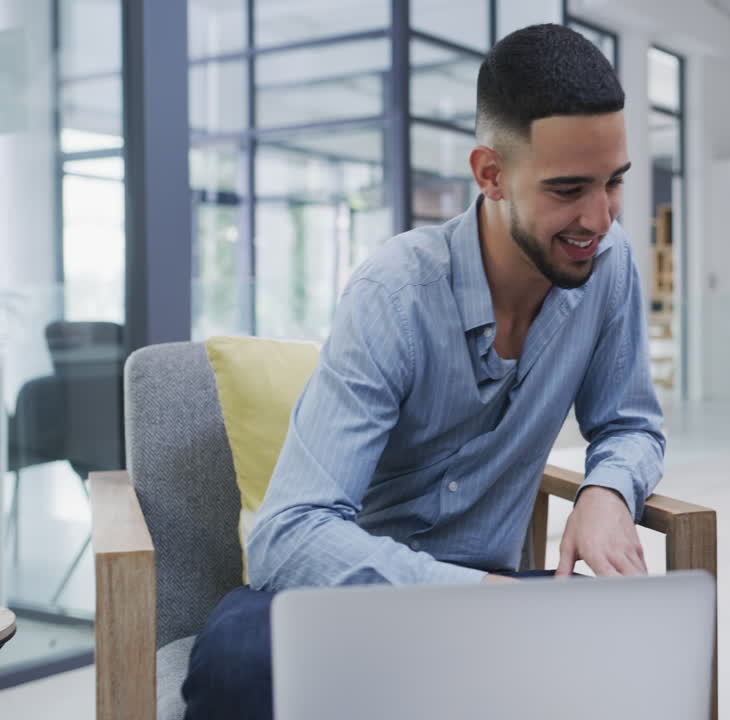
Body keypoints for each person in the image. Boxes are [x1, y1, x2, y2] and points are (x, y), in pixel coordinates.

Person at [182, 24, 664, 719]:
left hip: (490, 602)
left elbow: (630, 425)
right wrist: (467, 598)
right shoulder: (395, 294)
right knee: (237, 660)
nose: (599, 216)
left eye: (613, 182)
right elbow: (289, 534)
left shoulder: (608, 269)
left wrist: (608, 491)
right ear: (490, 174)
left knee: (643, 642)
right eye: (568, 189)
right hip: (350, 602)